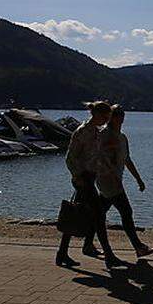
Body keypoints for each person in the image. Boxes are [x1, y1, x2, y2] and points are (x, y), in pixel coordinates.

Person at [95, 105, 153, 263]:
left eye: (122, 114)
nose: (121, 117)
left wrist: (138, 179)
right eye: (117, 114)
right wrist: (109, 174)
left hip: (116, 179)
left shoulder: (122, 137)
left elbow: (127, 160)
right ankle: (139, 247)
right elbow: (100, 157)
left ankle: (88, 243)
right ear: (111, 117)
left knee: (99, 213)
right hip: (108, 180)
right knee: (126, 212)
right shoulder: (104, 135)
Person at [57, 101, 113, 268]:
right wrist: (77, 176)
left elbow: (94, 157)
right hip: (83, 179)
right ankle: (108, 254)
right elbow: (70, 157)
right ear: (96, 114)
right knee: (98, 214)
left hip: (90, 177)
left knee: (76, 213)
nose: (106, 120)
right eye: (105, 116)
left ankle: (62, 254)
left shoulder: (96, 132)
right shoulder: (82, 131)